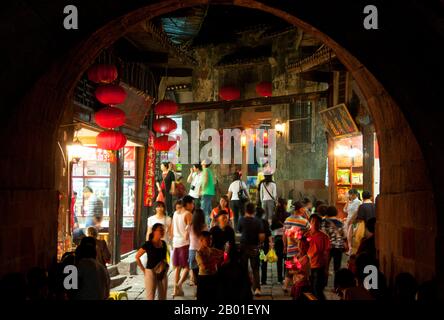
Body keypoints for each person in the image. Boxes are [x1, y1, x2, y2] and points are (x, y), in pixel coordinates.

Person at [238, 203, 265, 296]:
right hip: (254, 247)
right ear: (254, 211)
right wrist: (260, 244)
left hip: (243, 246)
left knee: (243, 268)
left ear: (245, 210)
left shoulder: (241, 219)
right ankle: (257, 289)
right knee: (255, 269)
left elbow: (239, 230)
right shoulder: (258, 221)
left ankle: (244, 288)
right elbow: (262, 235)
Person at [135, 223, 169, 300]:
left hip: (162, 272)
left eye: (163, 230)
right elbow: (137, 257)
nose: (162, 232)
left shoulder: (164, 243)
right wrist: (144, 271)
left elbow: (164, 258)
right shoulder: (148, 244)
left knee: (163, 296)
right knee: (150, 297)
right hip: (150, 271)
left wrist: (165, 267)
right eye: (160, 230)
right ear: (154, 231)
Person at [282, 201, 310, 292]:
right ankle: (296, 287)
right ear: (300, 209)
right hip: (300, 250)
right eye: (304, 208)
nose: (305, 210)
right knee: (299, 268)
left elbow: (284, 235)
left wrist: (285, 246)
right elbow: (310, 233)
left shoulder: (287, 220)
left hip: (290, 248)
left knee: (289, 267)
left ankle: (285, 286)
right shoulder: (304, 221)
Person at [171, 195, 193, 297]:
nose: (192, 205)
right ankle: (178, 284)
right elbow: (188, 228)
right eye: (192, 203)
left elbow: (172, 228)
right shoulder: (188, 214)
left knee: (178, 267)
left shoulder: (175, 213)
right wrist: (187, 235)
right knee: (187, 267)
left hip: (176, 242)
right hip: (184, 243)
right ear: (187, 204)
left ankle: (176, 291)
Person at [195, 231, 225, 302]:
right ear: (201, 240)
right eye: (207, 239)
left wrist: (225, 252)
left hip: (213, 277)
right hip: (204, 279)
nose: (210, 241)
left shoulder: (213, 250)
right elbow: (203, 267)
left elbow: (224, 254)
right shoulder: (199, 253)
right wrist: (215, 261)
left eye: (211, 239)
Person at [307, 214, 331, 300]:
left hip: (319, 267)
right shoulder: (305, 235)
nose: (315, 224)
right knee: (310, 290)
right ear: (310, 222)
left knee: (317, 290)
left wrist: (326, 269)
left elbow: (327, 254)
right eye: (313, 222)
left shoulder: (324, 237)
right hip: (307, 267)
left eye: (318, 222)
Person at [270, 198, 290, 284]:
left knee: (279, 260)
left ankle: (279, 279)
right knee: (286, 259)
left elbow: (271, 228)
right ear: (285, 205)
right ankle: (286, 277)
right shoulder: (288, 215)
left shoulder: (274, 216)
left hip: (278, 238)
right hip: (287, 239)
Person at [323, 206, 347, 274]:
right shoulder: (340, 223)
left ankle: (324, 283)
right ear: (336, 213)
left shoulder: (323, 223)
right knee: (337, 267)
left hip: (327, 247)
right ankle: (337, 283)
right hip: (338, 247)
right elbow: (344, 235)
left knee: (325, 266)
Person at [189, 209, 207, 288]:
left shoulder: (190, 226)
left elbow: (186, 237)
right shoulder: (205, 227)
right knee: (203, 273)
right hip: (202, 251)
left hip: (192, 251)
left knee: (195, 273)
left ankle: (197, 290)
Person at [256, 207, 273, 285]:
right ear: (263, 214)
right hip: (264, 245)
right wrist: (271, 244)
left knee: (256, 263)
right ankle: (263, 280)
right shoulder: (265, 222)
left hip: (255, 245)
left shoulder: (254, 221)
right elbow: (269, 234)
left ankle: (256, 280)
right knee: (264, 263)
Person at [343, 189, 362, 255]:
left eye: (352, 194)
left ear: (356, 195)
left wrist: (352, 219)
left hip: (354, 220)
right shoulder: (350, 201)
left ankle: (353, 250)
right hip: (348, 219)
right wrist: (347, 201)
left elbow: (358, 212)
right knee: (348, 236)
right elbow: (345, 210)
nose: (350, 195)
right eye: (350, 194)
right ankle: (350, 249)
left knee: (351, 236)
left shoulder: (359, 202)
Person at [201, 159, 216, 224]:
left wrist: (202, 190)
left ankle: (203, 224)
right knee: (209, 210)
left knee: (203, 209)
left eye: (203, 161)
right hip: (210, 192)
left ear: (204, 164)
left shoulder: (205, 170)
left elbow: (205, 180)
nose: (201, 161)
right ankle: (212, 223)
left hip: (206, 192)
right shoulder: (209, 170)